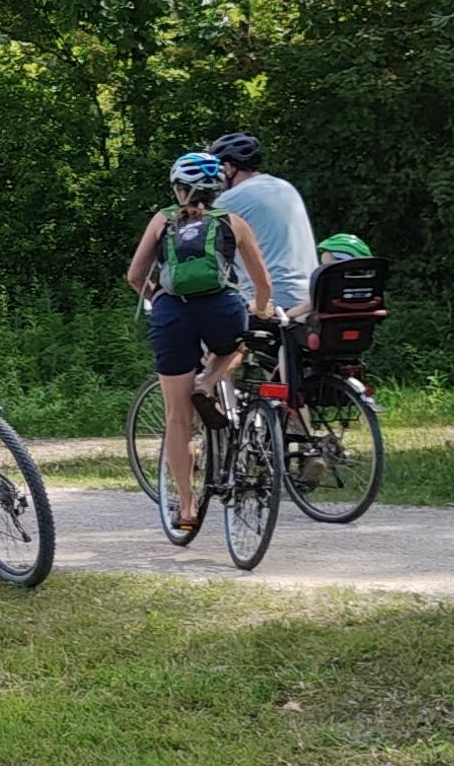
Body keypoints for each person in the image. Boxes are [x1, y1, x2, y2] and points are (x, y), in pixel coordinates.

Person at [126, 149, 276, 538]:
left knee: (177, 417)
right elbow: (262, 283)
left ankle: (187, 507)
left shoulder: (162, 220)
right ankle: (208, 382)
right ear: (217, 190)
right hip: (221, 308)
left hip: (172, 315)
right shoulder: (233, 222)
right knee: (235, 347)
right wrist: (260, 309)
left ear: (179, 189)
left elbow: (134, 275)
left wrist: (160, 297)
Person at [211, 132, 317, 321]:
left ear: (227, 168)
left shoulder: (227, 202)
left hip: (267, 304)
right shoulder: (286, 187)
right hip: (309, 299)